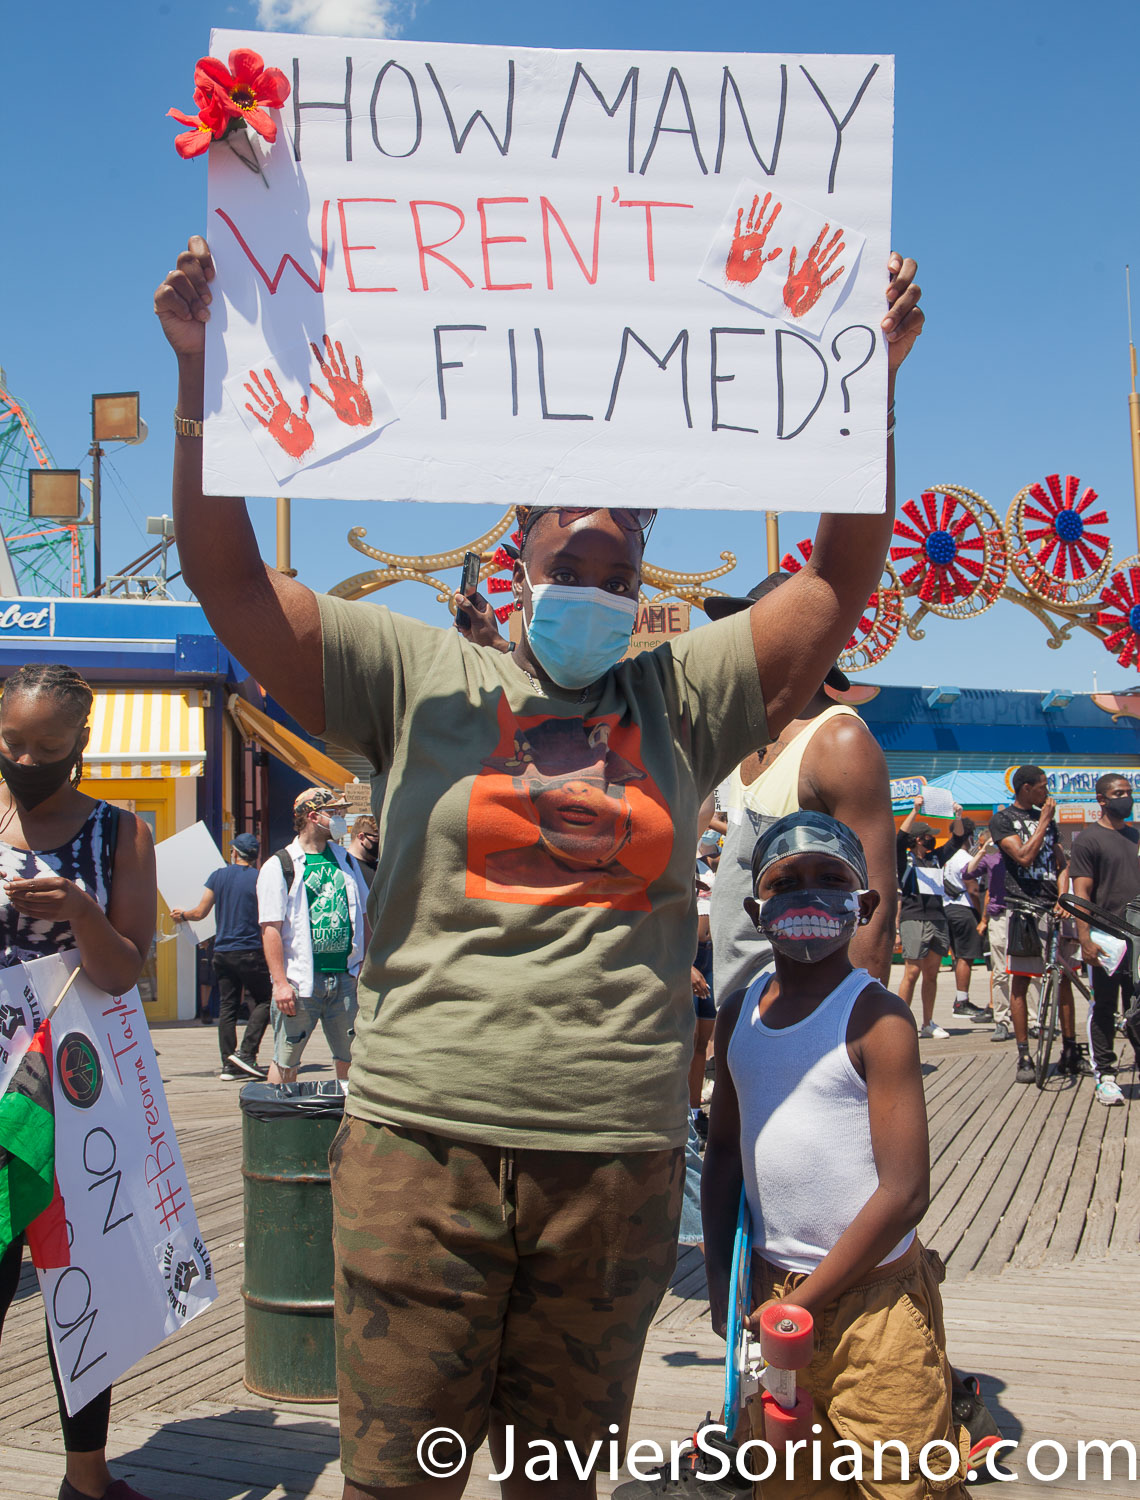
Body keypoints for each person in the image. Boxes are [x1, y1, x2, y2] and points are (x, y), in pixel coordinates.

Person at [156, 230, 923, 1500]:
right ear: (521, 546)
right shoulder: (411, 673)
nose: (597, 591)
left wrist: (872, 388)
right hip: (420, 1154)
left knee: (560, 1486)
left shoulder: (687, 692)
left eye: (620, 572)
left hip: (615, 1165)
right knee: (402, 1485)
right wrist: (195, 381)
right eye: (574, 565)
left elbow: (842, 579)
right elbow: (228, 580)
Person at [702, 810, 967, 1500]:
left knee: (902, 1481)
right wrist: (725, 1292)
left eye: (830, 880)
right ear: (759, 910)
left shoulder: (877, 1019)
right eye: (787, 883)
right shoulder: (739, 1014)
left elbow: (905, 1191)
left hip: (873, 1306)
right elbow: (724, 1156)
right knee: (792, 1481)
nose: (809, 896)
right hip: (770, 1294)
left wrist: (808, 1303)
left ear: (866, 904)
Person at [0, 662, 156, 1500]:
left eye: (47, 747)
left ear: (80, 746)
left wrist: (82, 913)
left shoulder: (119, 834)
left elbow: (127, 971)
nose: (26, 760)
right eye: (11, 742)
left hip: (79, 1090)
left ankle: (85, 1478)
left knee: (81, 1283)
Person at [707, 574, 898, 1002]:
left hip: (805, 1018)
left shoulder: (839, 743)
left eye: (754, 629)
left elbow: (875, 912)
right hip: (739, 1012)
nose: (737, 646)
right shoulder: (741, 736)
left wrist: (845, 1031)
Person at [257, 788, 366, 1086]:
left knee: (351, 1058)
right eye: (336, 814)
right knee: (286, 1059)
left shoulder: (347, 860)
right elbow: (271, 929)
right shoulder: (280, 865)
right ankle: (280, 1123)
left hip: (344, 979)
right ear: (313, 816)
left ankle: (347, 1124)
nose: (342, 819)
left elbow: (364, 916)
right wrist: (280, 983)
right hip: (300, 983)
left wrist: (362, 967)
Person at [990, 766, 1079, 1085]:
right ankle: (1024, 1053)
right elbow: (1024, 857)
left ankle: (1070, 1049)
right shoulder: (1003, 820)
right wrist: (1042, 821)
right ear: (1025, 788)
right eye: (1042, 786)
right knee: (1022, 981)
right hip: (1024, 910)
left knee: (1064, 978)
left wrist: (1063, 895)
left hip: (1052, 908)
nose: (1047, 792)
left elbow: (1061, 864)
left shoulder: (1049, 822)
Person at [171, 830, 270, 1081]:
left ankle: (228, 1065)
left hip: (222, 951)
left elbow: (201, 912)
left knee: (228, 1006)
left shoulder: (218, 876)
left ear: (235, 853)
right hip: (250, 950)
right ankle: (246, 1052)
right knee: (266, 1001)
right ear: (255, 857)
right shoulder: (261, 879)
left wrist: (182, 915)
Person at [1069, 773, 1140, 1106]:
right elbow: (1081, 893)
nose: (1126, 797)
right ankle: (1107, 1077)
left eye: (1129, 792)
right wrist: (1085, 939)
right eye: (1118, 793)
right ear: (1101, 799)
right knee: (1106, 1006)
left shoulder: (1135, 836)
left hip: (1137, 938)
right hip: (1106, 938)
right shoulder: (1087, 840)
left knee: (1137, 1006)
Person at [896, 798, 968, 1038]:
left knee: (932, 973)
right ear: (919, 839)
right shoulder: (903, 858)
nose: (932, 838)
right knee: (912, 972)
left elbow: (957, 840)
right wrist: (915, 810)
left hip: (938, 918)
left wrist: (957, 817)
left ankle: (928, 1023)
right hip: (913, 917)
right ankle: (900, 1024)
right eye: (928, 836)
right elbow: (899, 838)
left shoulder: (936, 857)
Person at [941, 822, 991, 1021]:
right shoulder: (964, 858)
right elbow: (973, 889)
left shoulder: (947, 858)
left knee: (959, 955)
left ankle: (962, 999)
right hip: (964, 907)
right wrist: (982, 916)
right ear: (970, 836)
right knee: (966, 956)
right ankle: (962, 1001)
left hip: (948, 907)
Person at [345, 813, 379, 885]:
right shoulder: (344, 866)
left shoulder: (379, 868)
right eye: (377, 838)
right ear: (361, 837)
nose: (380, 843)